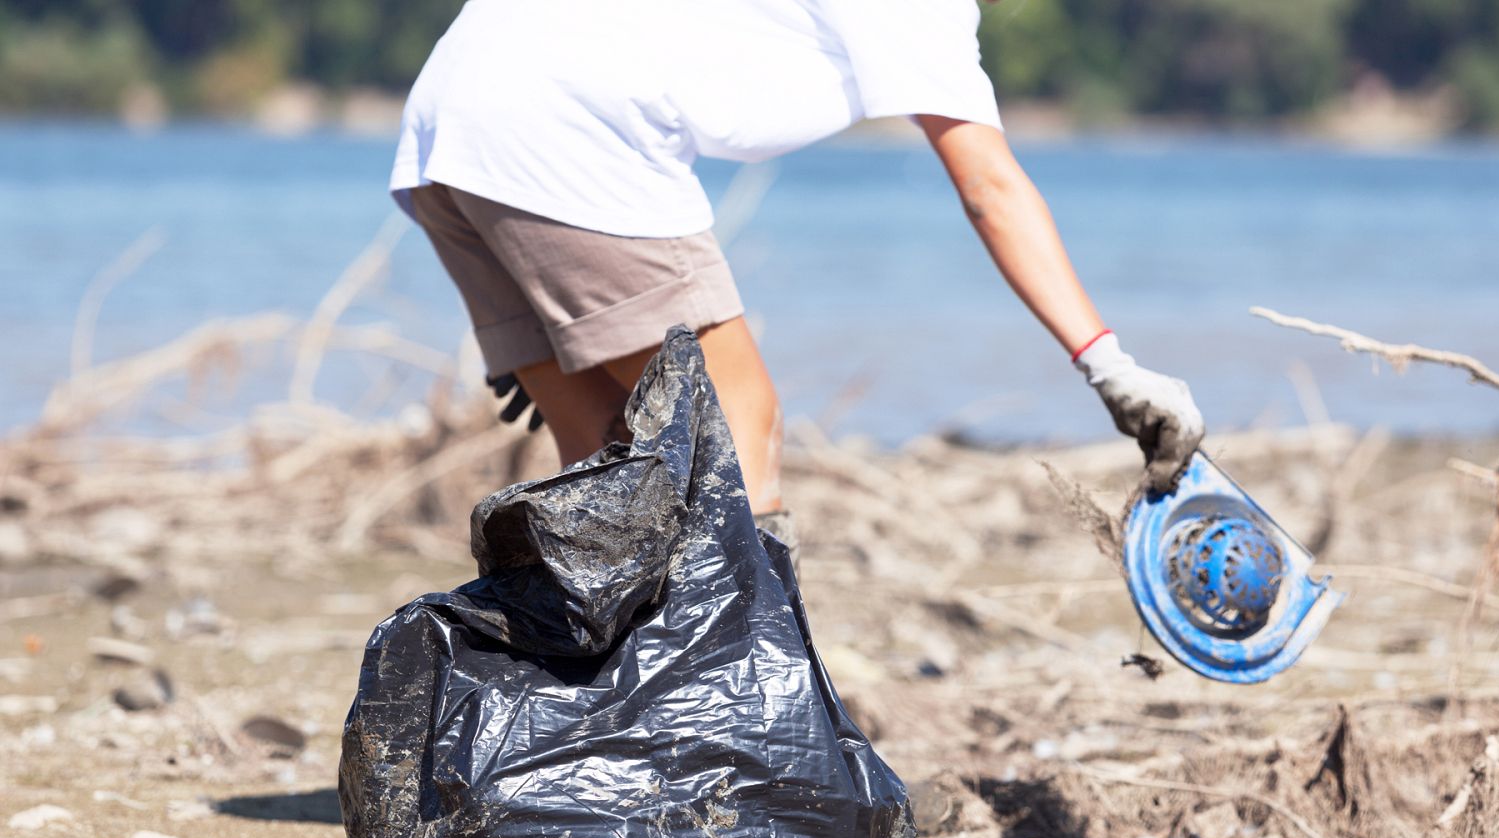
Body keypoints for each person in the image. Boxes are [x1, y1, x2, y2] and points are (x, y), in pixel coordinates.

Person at [391, 0, 1205, 527]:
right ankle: (743, 744)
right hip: (567, 123)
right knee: (741, 436)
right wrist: (1110, 367)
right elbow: (991, 187)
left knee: (605, 460)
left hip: (449, 116)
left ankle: (609, 741)